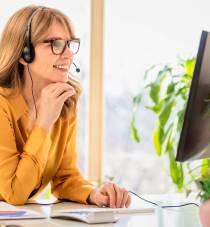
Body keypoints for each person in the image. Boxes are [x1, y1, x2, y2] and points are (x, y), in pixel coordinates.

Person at [0, 5, 131, 207]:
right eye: (55, 43)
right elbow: (14, 193)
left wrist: (94, 194)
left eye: (70, 43)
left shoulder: (64, 101)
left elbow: (64, 177)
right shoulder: (2, 104)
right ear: (24, 54)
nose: (69, 54)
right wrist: (43, 124)